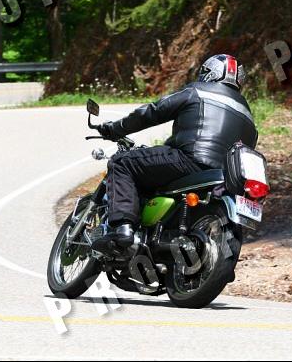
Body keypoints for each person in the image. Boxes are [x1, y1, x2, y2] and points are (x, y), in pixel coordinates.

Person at [92, 54, 258, 254]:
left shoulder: (197, 91)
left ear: (208, 73)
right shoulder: (248, 116)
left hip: (187, 160)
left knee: (121, 163)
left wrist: (115, 128)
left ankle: (123, 230)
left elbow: (153, 111)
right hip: (223, 177)